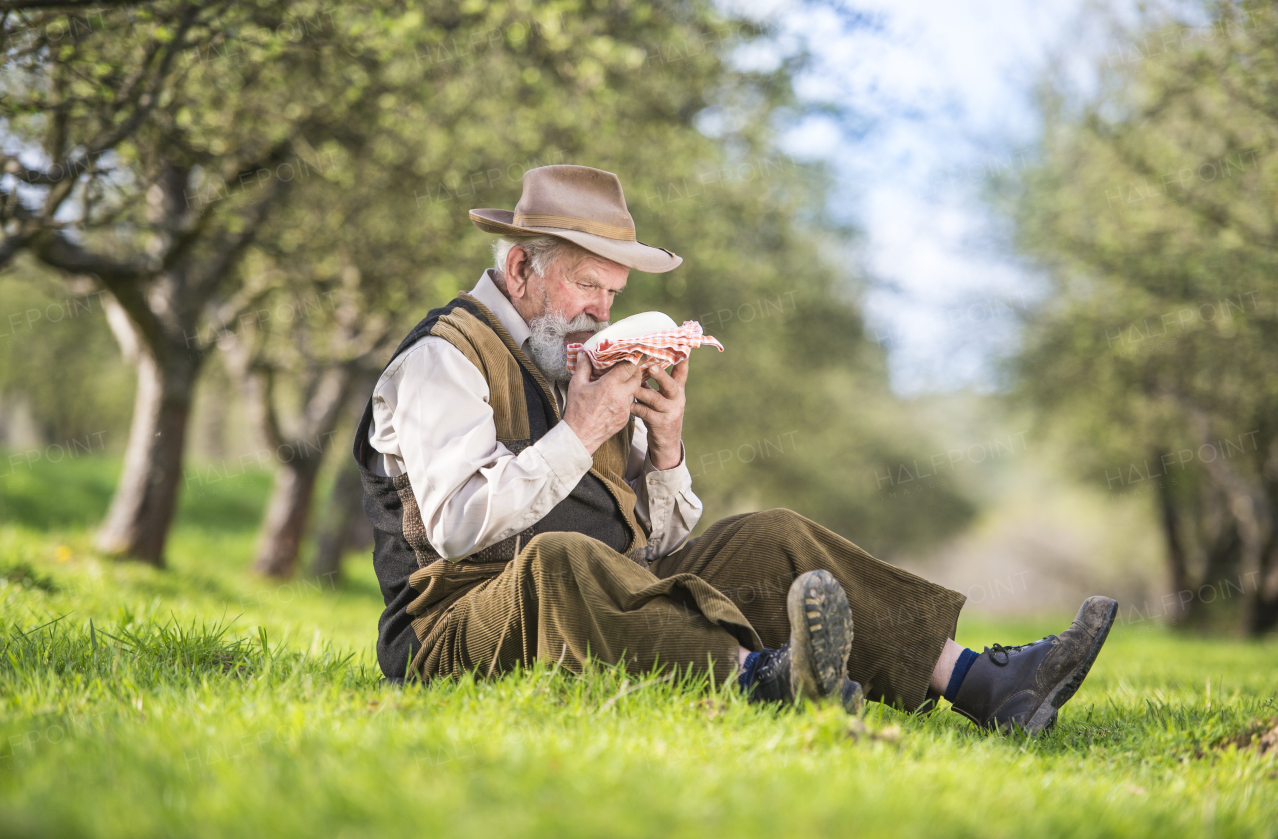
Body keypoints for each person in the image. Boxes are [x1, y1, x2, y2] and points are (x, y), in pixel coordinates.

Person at [353, 164, 1116, 734]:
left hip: (602, 594)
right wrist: (581, 431)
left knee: (770, 534)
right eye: (589, 286)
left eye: (613, 294)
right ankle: (760, 679)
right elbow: (456, 527)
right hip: (450, 627)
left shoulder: (573, 358)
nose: (603, 311)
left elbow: (660, 549)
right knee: (560, 559)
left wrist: (666, 447)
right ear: (521, 268)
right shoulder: (441, 361)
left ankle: (984, 683)